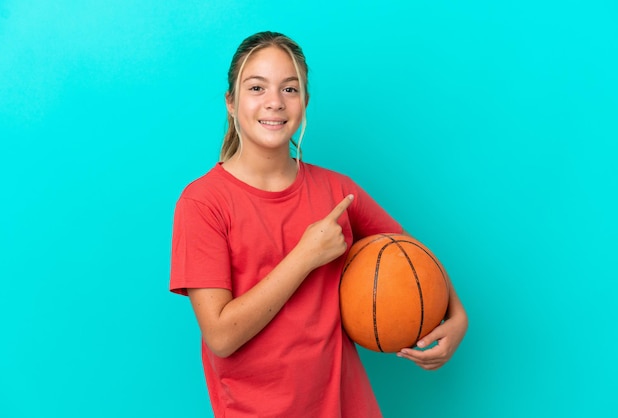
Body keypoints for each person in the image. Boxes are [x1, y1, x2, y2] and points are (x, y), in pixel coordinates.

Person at [170, 31, 468, 417]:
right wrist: (305, 256)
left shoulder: (336, 191)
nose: (274, 102)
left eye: (290, 89)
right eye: (257, 87)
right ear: (231, 102)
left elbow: (412, 256)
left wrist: (456, 317)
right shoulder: (203, 203)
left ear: (305, 102)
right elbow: (222, 336)